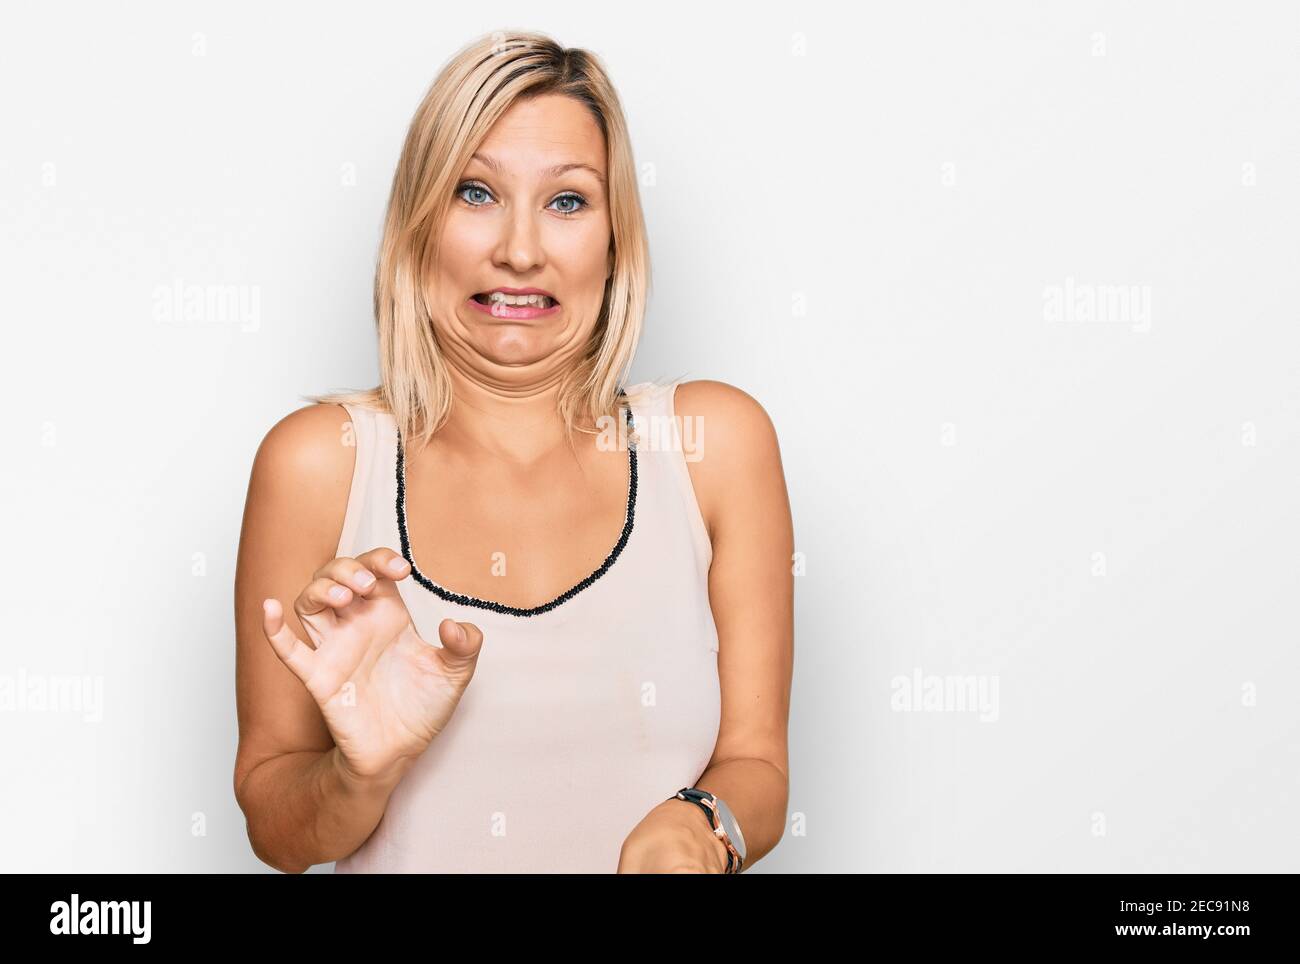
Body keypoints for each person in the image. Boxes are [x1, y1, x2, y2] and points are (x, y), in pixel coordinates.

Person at [232, 29, 793, 873]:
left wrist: (700, 824)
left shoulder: (715, 447)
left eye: (568, 201)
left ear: (615, 239)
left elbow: (760, 767)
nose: (521, 250)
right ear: (419, 225)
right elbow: (275, 828)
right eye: (475, 192)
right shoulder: (319, 463)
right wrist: (360, 775)